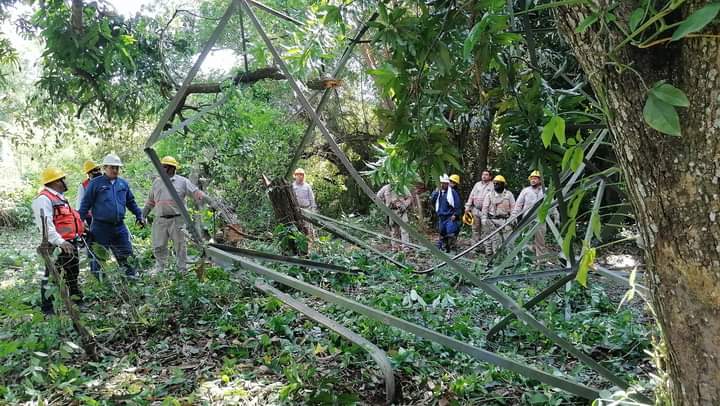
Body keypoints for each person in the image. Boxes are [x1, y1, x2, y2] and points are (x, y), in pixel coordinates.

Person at [142, 156, 216, 273]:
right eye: (162, 166)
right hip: (160, 219)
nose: (163, 169)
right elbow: (150, 202)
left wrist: (211, 202)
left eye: (165, 167)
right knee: (158, 245)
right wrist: (143, 215)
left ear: (172, 168)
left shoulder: (182, 182)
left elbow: (197, 193)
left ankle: (182, 270)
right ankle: (160, 269)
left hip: (177, 220)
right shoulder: (156, 182)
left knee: (180, 246)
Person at [78, 153, 145, 278]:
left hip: (119, 227)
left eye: (117, 167)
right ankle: (102, 286)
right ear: (105, 168)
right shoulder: (95, 184)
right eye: (112, 167)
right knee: (97, 258)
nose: (115, 170)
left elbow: (131, 202)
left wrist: (139, 215)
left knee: (127, 255)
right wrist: (79, 224)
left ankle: (131, 279)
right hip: (100, 227)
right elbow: (85, 205)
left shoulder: (123, 184)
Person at [32, 167, 86, 314]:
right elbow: (46, 226)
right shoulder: (44, 199)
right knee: (51, 276)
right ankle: (48, 309)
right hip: (57, 245)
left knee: (72, 272)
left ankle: (76, 300)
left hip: (70, 242)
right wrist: (60, 242)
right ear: (55, 182)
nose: (65, 181)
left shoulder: (59, 197)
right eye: (63, 179)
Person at [511, 170, 556, 259]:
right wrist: (513, 216)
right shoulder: (525, 191)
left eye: (535, 178)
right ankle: (525, 260)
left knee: (540, 241)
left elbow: (553, 204)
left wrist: (556, 217)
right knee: (524, 240)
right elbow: (518, 204)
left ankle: (540, 260)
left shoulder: (546, 190)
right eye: (531, 178)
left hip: (541, 219)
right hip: (527, 219)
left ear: (540, 180)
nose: (533, 180)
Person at [77, 160, 102, 278]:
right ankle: (97, 274)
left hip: (111, 219)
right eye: (94, 170)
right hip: (92, 221)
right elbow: (79, 207)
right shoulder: (83, 186)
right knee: (93, 247)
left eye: (98, 169)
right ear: (89, 173)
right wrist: (81, 223)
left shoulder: (108, 181)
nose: (98, 172)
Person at [481, 175, 515, 256]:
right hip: (492, 220)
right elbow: (485, 208)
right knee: (493, 239)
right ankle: (493, 257)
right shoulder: (489, 195)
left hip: (505, 220)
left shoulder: (509, 194)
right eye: (495, 183)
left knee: (509, 239)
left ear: (503, 184)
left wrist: (513, 219)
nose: (496, 185)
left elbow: (513, 207)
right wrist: (484, 219)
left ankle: (509, 256)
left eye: (498, 183)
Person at [376, 183, 413, 250]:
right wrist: (384, 206)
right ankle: (395, 247)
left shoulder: (402, 186)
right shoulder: (386, 188)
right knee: (393, 230)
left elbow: (409, 197)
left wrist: (404, 205)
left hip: (401, 211)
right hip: (391, 212)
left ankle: (406, 247)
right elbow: (377, 197)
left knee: (404, 229)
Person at [430, 174, 461, 252]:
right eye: (440, 183)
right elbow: (432, 200)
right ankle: (444, 250)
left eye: (443, 183)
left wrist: (455, 214)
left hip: (449, 217)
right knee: (442, 233)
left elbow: (457, 204)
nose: (442, 185)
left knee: (451, 232)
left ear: (447, 184)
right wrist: (436, 192)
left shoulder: (452, 192)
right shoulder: (438, 192)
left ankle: (453, 250)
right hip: (441, 216)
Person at [464, 169, 494, 243]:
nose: (484, 176)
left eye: (486, 174)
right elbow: (471, 195)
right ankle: (474, 246)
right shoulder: (477, 184)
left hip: (486, 211)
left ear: (490, 177)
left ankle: (484, 247)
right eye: (483, 174)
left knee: (485, 229)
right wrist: (467, 206)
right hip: (476, 209)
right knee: (475, 228)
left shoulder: (493, 185)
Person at [292, 168, 317, 237]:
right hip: (297, 209)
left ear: (303, 176)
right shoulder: (292, 186)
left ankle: (311, 240)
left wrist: (313, 209)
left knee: (308, 226)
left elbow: (312, 198)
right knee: (299, 225)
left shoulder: (307, 186)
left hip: (307, 209)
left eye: (301, 175)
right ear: (295, 176)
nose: (299, 176)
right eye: (298, 175)